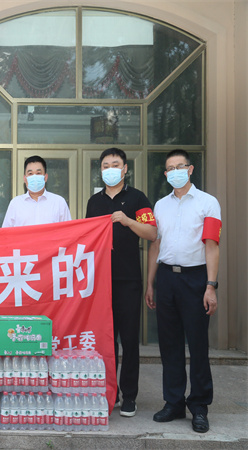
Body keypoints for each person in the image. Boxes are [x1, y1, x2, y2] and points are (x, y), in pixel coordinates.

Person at [145, 149, 221, 434]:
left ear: (190, 169)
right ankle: (174, 402)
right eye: (170, 168)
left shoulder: (208, 203)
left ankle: (199, 406)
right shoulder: (160, 205)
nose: (175, 172)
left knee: (198, 344)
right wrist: (150, 283)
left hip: (196, 278)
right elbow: (155, 245)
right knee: (169, 344)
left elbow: (212, 245)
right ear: (166, 174)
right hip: (166, 278)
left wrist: (210, 286)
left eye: (180, 166)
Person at [86, 148, 157, 417]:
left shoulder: (138, 198)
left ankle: (129, 396)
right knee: (106, 341)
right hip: (101, 282)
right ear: (100, 170)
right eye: (106, 165)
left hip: (128, 280)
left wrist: (128, 221)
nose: (110, 169)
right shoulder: (94, 202)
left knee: (128, 340)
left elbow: (151, 233)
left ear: (125, 168)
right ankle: (109, 392)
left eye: (115, 164)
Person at [2, 155, 71, 227]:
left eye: (38, 173)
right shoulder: (16, 204)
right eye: (30, 174)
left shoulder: (59, 203)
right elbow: (6, 232)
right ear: (25, 179)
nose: (34, 177)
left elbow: (68, 230)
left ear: (45, 177)